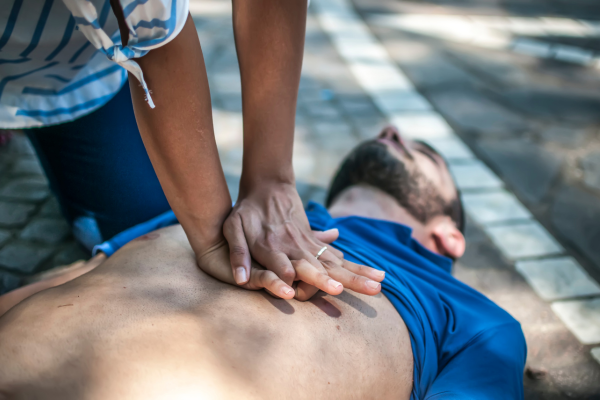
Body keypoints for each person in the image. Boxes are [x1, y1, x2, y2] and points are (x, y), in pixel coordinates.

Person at [0, 126, 527, 399]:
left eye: (421, 151)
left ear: (449, 237)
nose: (391, 129)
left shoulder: (481, 318)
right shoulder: (220, 209)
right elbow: (74, 278)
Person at [0, 0, 365, 296]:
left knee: (142, 218)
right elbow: (153, 32)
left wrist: (271, 179)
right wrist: (209, 239)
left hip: (76, 66)